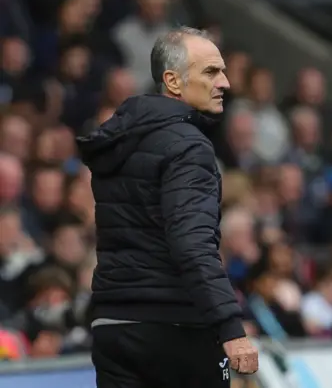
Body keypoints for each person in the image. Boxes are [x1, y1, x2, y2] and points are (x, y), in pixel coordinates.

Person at [77, 27, 258, 388]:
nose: (224, 82)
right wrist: (230, 326)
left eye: (222, 71)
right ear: (173, 81)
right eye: (210, 72)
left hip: (113, 325)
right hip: (174, 327)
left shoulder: (119, 140)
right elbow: (192, 244)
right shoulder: (189, 146)